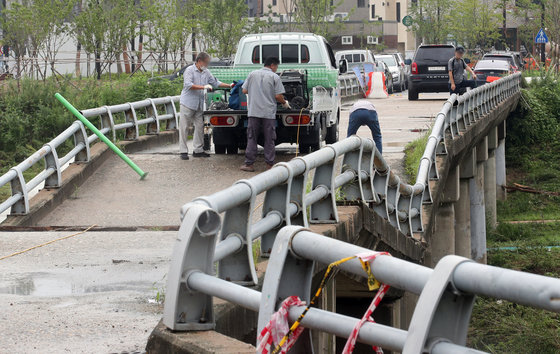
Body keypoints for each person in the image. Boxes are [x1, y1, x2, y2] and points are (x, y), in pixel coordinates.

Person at [239, 57, 290, 172]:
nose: (276, 69)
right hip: (268, 113)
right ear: (272, 65)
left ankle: (249, 164)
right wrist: (284, 103)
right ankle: (270, 165)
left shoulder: (252, 74)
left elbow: (244, 90)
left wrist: (256, 91)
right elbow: (278, 96)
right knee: (269, 139)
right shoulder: (274, 77)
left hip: (254, 112)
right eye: (276, 67)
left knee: (252, 137)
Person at [179, 52, 233, 160]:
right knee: (184, 127)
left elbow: (215, 82)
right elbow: (188, 85)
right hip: (188, 103)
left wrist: (229, 85)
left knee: (199, 127)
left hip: (200, 104)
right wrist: (203, 87)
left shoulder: (206, 72)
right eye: (206, 62)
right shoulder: (189, 70)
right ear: (199, 61)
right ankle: (183, 151)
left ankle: (198, 150)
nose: (207, 65)